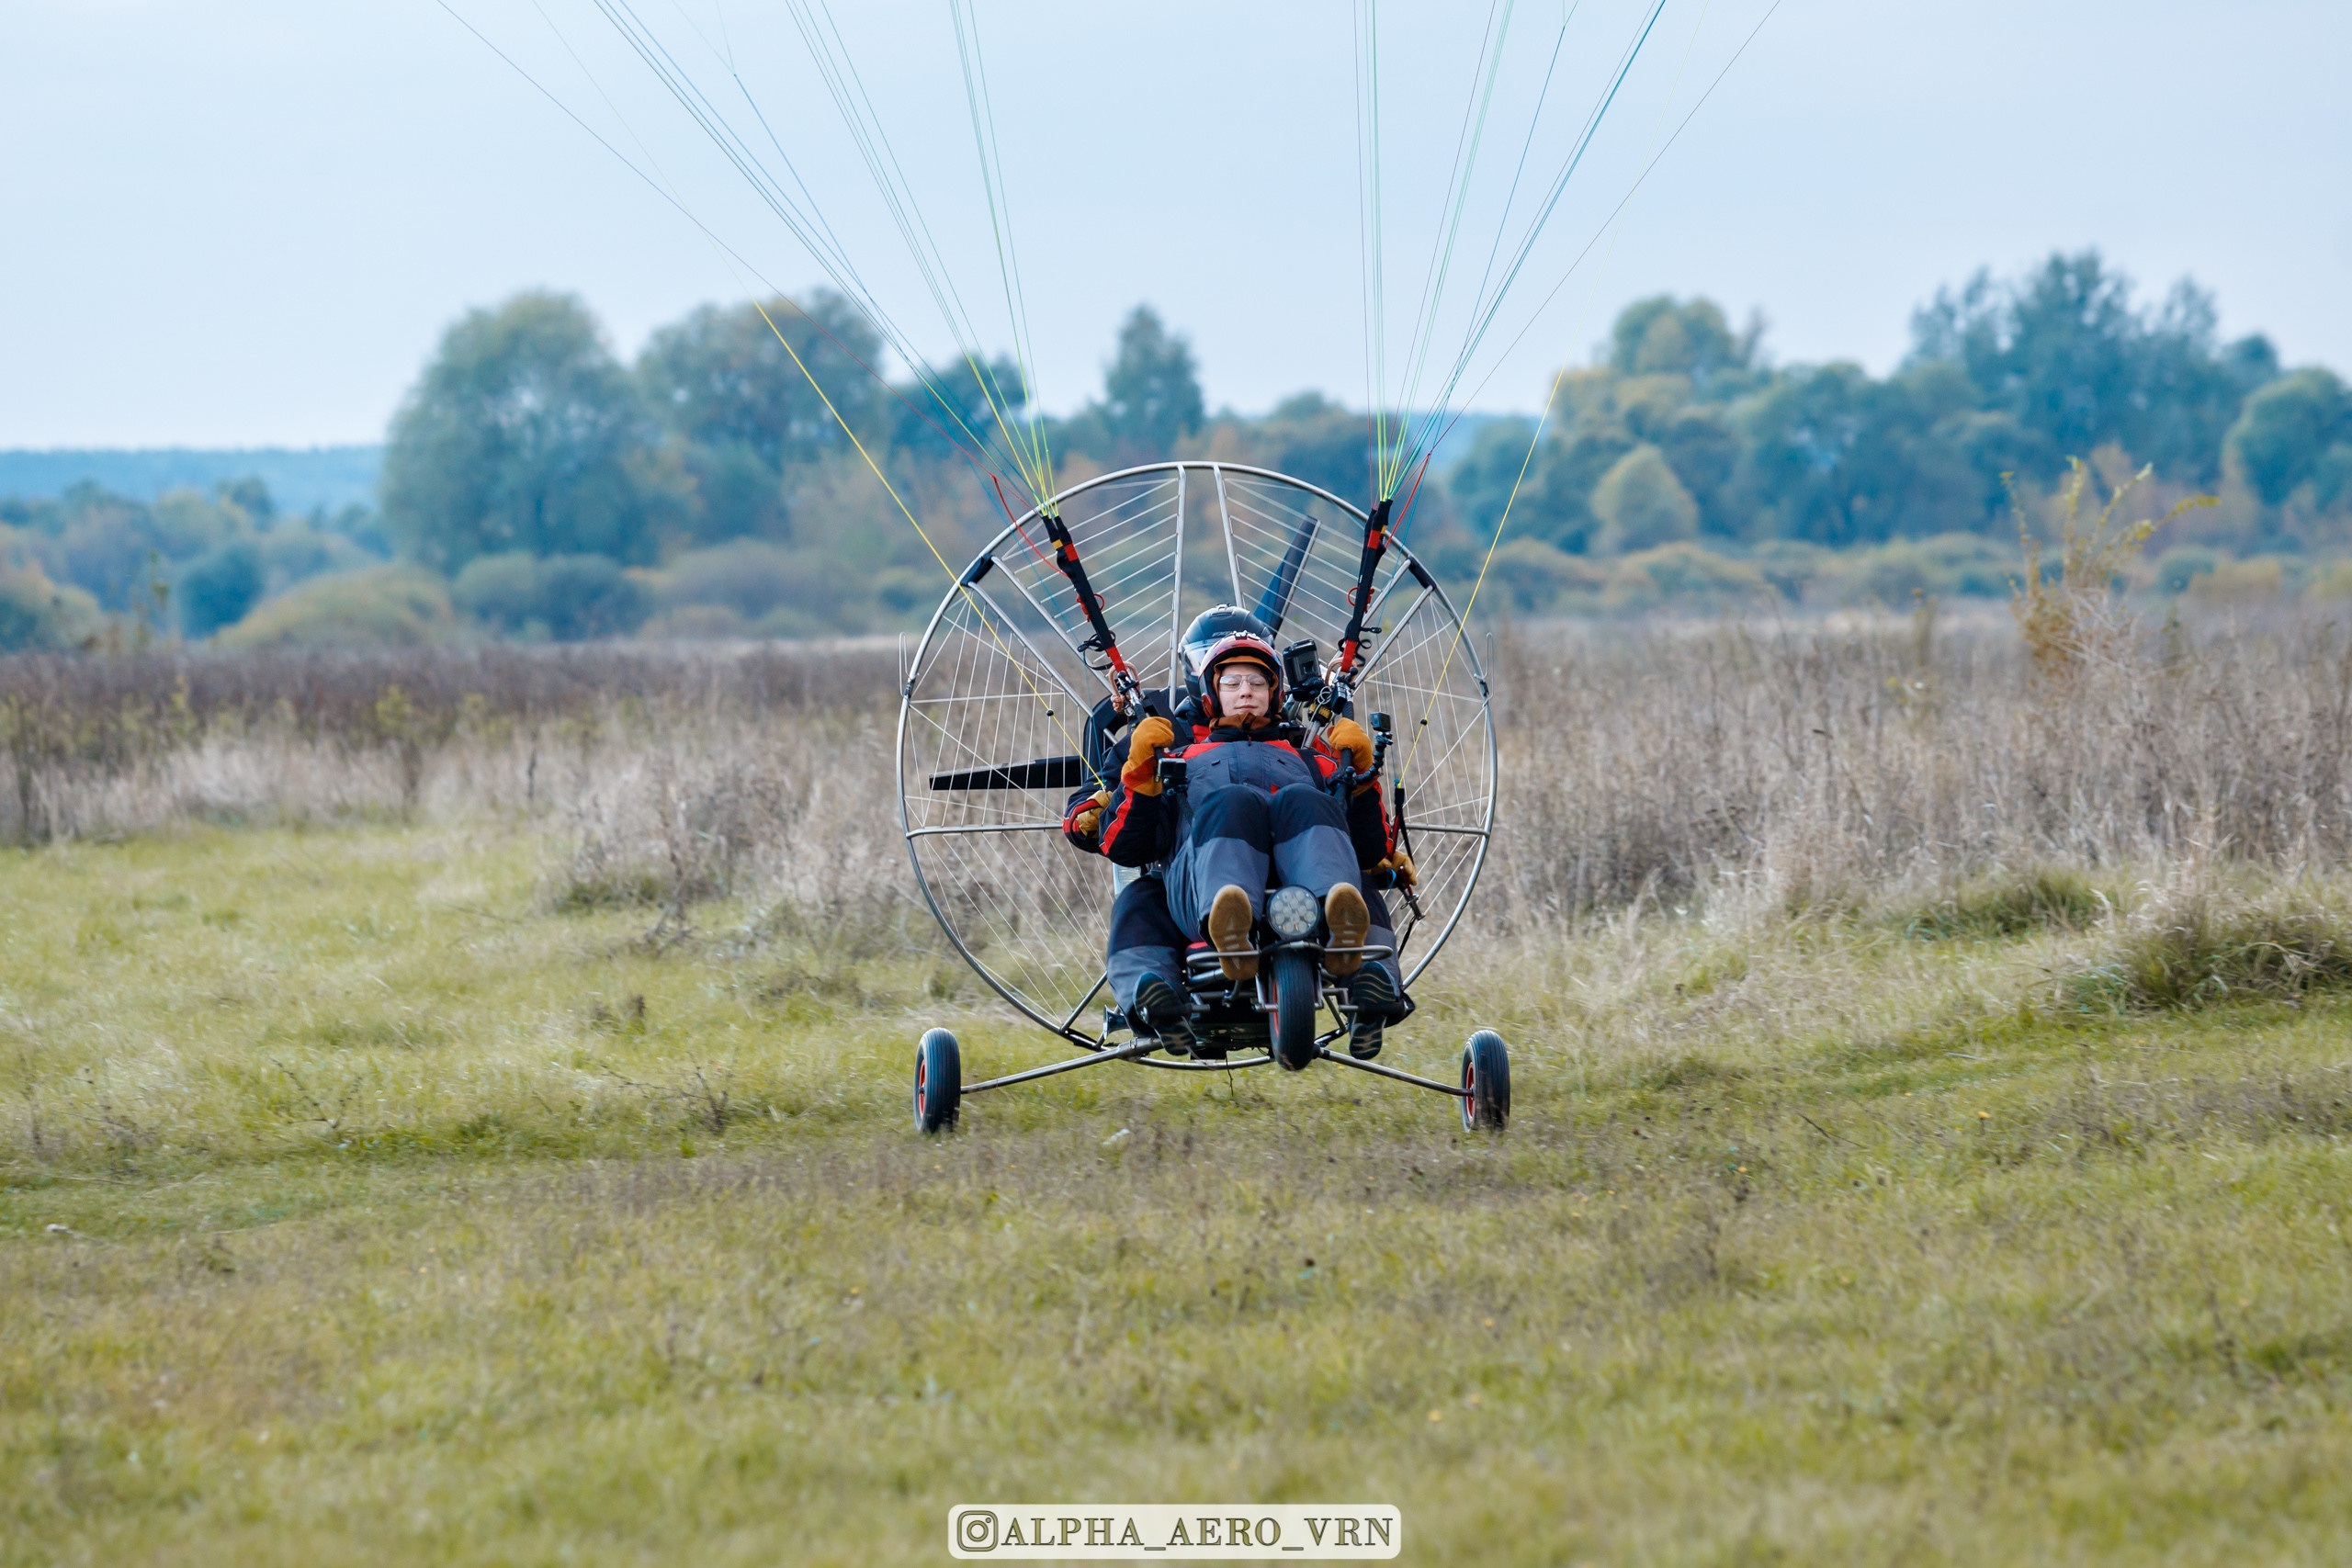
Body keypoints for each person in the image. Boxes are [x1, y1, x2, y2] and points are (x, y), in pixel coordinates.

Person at [1062, 606, 1415, 1058]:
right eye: (1232, 683)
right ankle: (1169, 987)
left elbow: (1367, 847)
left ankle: (1363, 966)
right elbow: (1126, 847)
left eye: (1256, 683)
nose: (1245, 693)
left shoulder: (1311, 757)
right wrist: (1141, 780)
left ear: (1274, 691)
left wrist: (1363, 777)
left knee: (1320, 822)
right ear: (1211, 693)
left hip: (1301, 896)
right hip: (1197, 890)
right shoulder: (1174, 755)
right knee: (1145, 893)